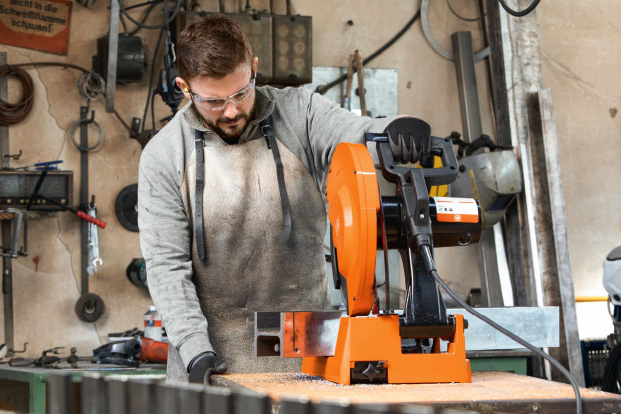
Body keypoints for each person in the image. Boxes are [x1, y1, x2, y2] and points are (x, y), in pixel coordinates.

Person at [138, 14, 417, 383]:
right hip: (211, 359)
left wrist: (393, 131)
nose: (232, 111)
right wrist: (194, 350)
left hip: (308, 352)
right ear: (185, 88)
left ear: (254, 68)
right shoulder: (163, 156)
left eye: (240, 92)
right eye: (213, 101)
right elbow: (166, 267)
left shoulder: (300, 113)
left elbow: (356, 133)